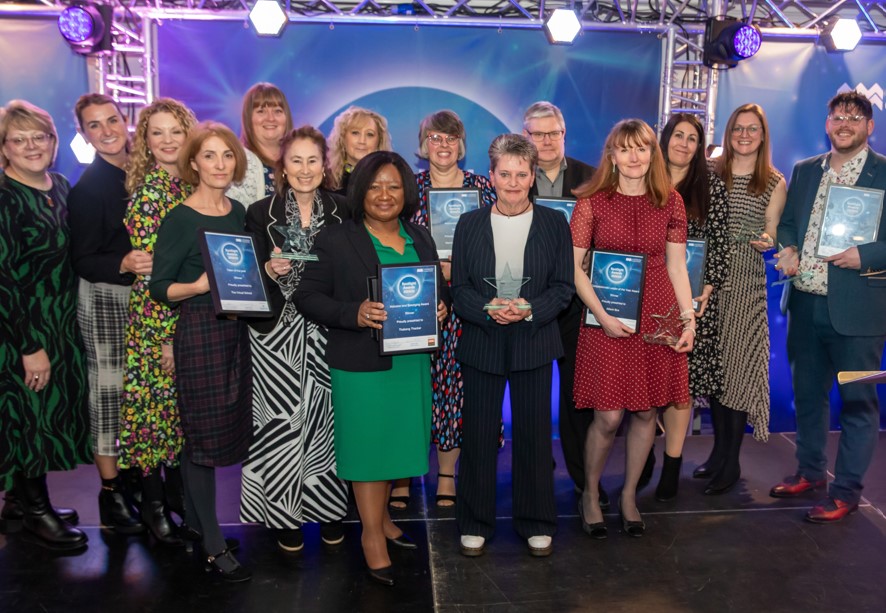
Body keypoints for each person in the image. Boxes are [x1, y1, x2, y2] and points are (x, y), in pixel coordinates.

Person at [295, 151, 449, 587]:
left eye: (394, 186)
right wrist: (354, 313)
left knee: (396, 444)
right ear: (360, 191)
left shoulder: (419, 236)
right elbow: (308, 297)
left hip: (411, 361)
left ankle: (383, 521)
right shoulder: (336, 239)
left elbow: (439, 287)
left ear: (407, 192)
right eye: (375, 186)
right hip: (361, 364)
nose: (385, 195)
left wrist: (441, 306)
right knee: (368, 450)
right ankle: (370, 537)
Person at [452, 134, 573, 558]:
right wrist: (488, 308)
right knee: (479, 436)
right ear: (492, 176)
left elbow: (563, 287)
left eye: (522, 174)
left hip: (534, 342)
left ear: (533, 176)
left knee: (536, 437)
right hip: (483, 342)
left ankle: (537, 521)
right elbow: (459, 288)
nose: (514, 182)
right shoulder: (468, 224)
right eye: (505, 173)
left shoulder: (555, 223)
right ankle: (474, 522)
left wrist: (529, 310)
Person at [572, 119, 694, 539]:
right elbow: (576, 272)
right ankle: (590, 494)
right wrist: (603, 316)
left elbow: (677, 266)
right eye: (625, 149)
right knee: (607, 417)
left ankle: (627, 497)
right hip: (607, 321)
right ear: (612, 155)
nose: (634, 156)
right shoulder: (592, 203)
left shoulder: (671, 201)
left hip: (657, 320)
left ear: (652, 154)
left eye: (642, 148)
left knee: (646, 411)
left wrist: (688, 318)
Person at [771, 91, 886, 523]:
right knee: (808, 396)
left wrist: (867, 256)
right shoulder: (804, 172)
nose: (845, 123)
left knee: (858, 401)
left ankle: (847, 490)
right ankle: (811, 471)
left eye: (855, 118)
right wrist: (788, 247)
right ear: (827, 123)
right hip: (804, 305)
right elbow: (785, 224)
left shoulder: (884, 173)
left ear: (869, 127)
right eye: (838, 116)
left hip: (861, 314)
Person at [150, 121, 252, 582]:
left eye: (226, 155)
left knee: (222, 428)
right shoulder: (180, 218)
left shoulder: (239, 213)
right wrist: (196, 286)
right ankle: (212, 544)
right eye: (209, 156)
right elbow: (158, 288)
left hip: (237, 334)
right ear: (193, 163)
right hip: (199, 332)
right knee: (202, 439)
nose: (219, 164)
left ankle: (196, 522)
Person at [239, 126, 349, 551]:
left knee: (327, 423)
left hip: (326, 329)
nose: (305, 170)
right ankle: (282, 516)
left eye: (313, 160)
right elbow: (244, 276)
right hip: (275, 334)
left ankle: (328, 510)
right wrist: (267, 270)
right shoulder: (259, 212)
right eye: (296, 161)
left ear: (326, 165)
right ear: (282, 167)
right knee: (278, 424)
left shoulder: (344, 211)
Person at [0, 100, 90, 551]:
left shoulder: (62, 185)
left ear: (54, 143)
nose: (31, 145)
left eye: (39, 136)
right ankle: (36, 510)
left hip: (59, 317)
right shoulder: (4, 196)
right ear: (5, 149)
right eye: (19, 139)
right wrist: (28, 344)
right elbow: (3, 277)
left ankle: (17, 502)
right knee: (28, 416)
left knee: (40, 408)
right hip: (20, 323)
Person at [397, 109, 497, 510]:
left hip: (468, 305)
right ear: (423, 144)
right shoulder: (408, 189)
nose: (443, 145)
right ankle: (402, 473)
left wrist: (465, 266)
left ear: (462, 144)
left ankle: (446, 475)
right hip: (419, 302)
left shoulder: (482, 188)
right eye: (435, 138)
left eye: (451, 138)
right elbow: (394, 242)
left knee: (456, 391)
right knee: (414, 387)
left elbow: (497, 242)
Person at [66, 93, 146, 535]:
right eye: (94, 125)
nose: (107, 130)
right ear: (84, 135)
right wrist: (123, 263)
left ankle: (134, 480)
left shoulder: (142, 174)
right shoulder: (88, 189)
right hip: (104, 298)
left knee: (138, 395)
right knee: (109, 392)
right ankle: (111, 492)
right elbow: (82, 259)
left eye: (112, 119)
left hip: (142, 300)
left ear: (125, 119)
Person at [120, 98, 197, 545]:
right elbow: (155, 274)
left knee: (175, 418)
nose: (167, 140)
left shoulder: (186, 187)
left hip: (183, 318)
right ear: (146, 143)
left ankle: (176, 501)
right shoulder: (152, 193)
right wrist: (168, 339)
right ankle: (154, 508)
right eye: (157, 133)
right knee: (152, 416)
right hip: (157, 323)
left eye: (175, 131)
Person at [703, 103, 786, 495]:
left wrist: (768, 242)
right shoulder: (710, 173)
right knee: (717, 375)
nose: (745, 135)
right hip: (708, 281)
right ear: (729, 132)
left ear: (763, 135)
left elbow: (772, 233)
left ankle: (732, 462)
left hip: (745, 283)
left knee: (736, 373)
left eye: (753, 129)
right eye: (738, 128)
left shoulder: (772, 181)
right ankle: (718, 454)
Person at [522, 101, 599, 502]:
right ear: (526, 138)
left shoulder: (592, 177)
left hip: (578, 304)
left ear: (564, 134)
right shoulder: (514, 177)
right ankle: (536, 474)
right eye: (537, 134)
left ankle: (585, 479)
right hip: (530, 304)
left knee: (576, 397)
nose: (546, 141)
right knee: (531, 397)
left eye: (553, 133)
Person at [654, 113, 730, 501]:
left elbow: (719, 243)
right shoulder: (645, 179)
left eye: (692, 138)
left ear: (700, 147)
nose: (684, 143)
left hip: (692, 303)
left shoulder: (710, 186)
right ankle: (643, 456)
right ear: (665, 139)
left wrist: (707, 290)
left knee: (680, 389)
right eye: (678, 135)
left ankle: (672, 464)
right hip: (647, 299)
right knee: (648, 383)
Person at [227, 82, 293, 207]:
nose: (270, 118)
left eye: (277, 111)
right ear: (248, 118)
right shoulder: (237, 163)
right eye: (261, 111)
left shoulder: (300, 160)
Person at [327, 106, 392, 196]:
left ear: (379, 141)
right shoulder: (326, 181)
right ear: (342, 138)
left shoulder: (391, 180)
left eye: (369, 134)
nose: (362, 141)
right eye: (355, 133)